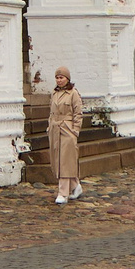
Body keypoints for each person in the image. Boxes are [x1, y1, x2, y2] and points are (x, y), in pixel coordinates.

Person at [48, 66, 83, 204]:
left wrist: (75, 131)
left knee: (65, 161)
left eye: (61, 77)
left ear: (67, 79)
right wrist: (49, 126)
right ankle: (75, 186)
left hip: (67, 129)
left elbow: (78, 113)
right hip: (55, 129)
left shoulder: (73, 93)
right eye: (57, 78)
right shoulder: (54, 93)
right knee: (58, 160)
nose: (59, 80)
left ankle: (63, 193)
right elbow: (51, 112)